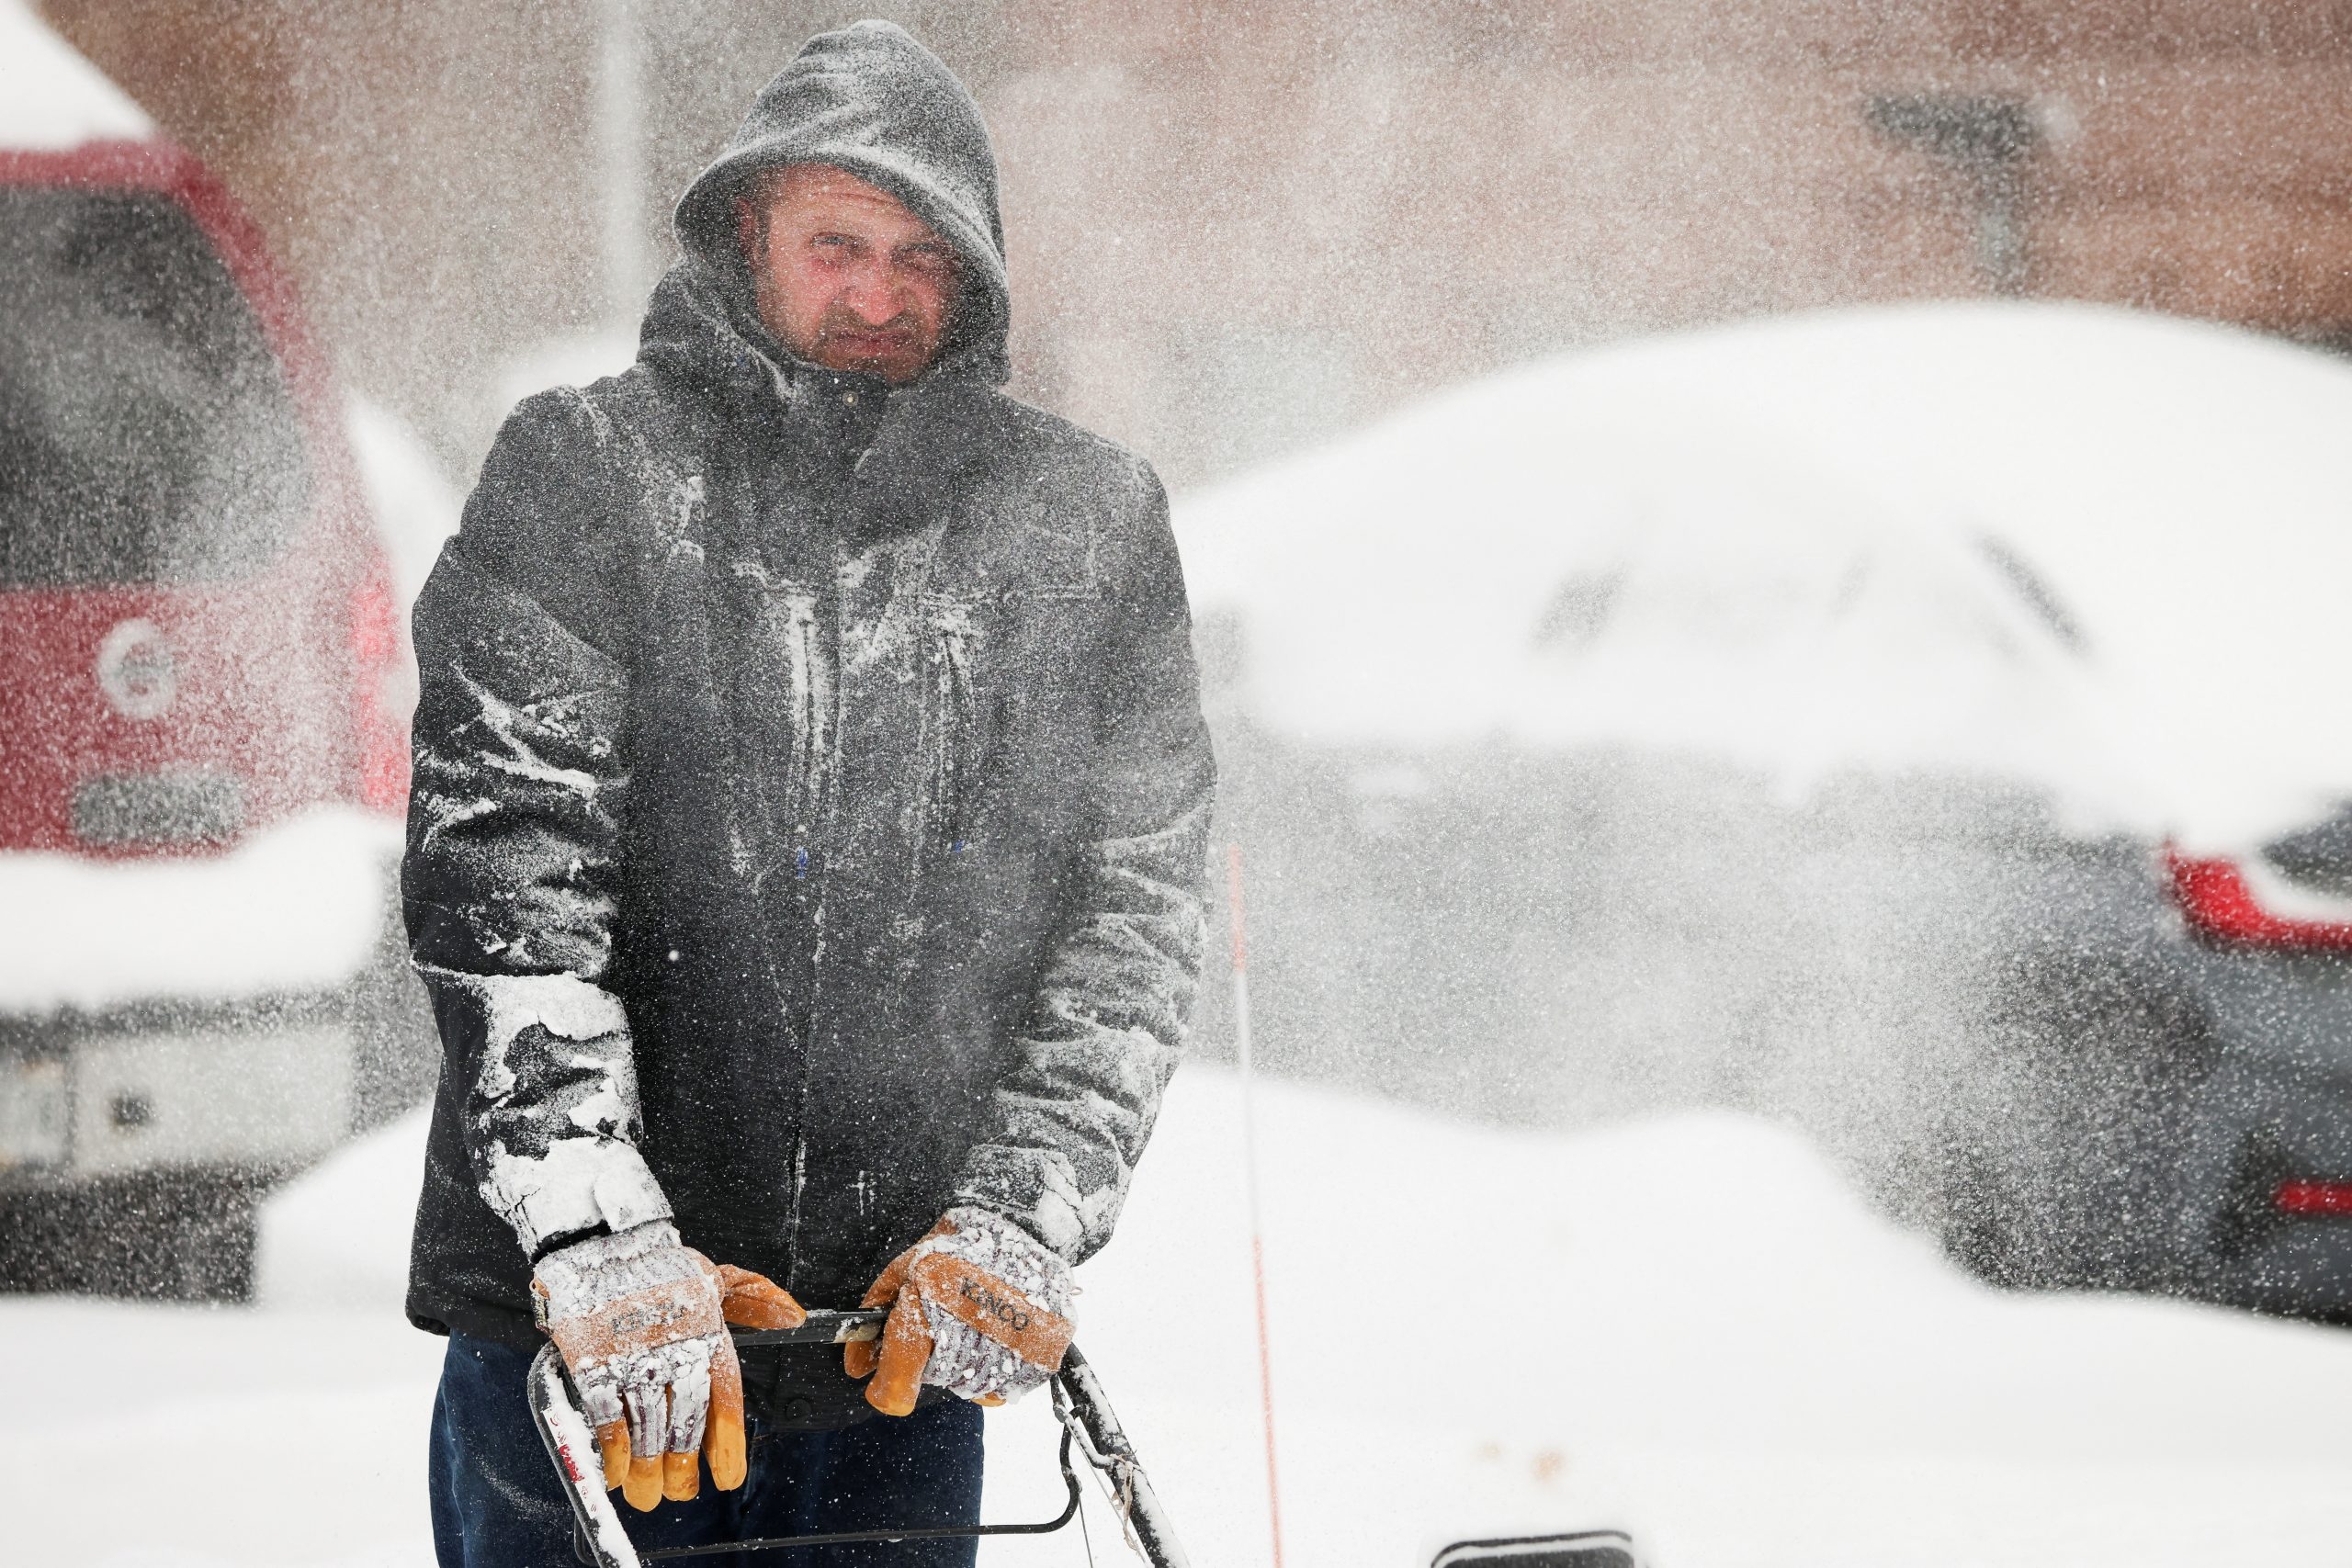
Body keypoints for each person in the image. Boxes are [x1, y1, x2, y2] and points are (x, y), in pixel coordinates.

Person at [402, 21, 1215, 1566]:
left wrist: (1019, 1216)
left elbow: (1138, 902)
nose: (881, 294)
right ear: (746, 232)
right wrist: (600, 1226)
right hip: (594, 1342)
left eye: (924, 256)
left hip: (889, 1351)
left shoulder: (1085, 527)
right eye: (839, 243)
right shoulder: (589, 475)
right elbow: (507, 871)